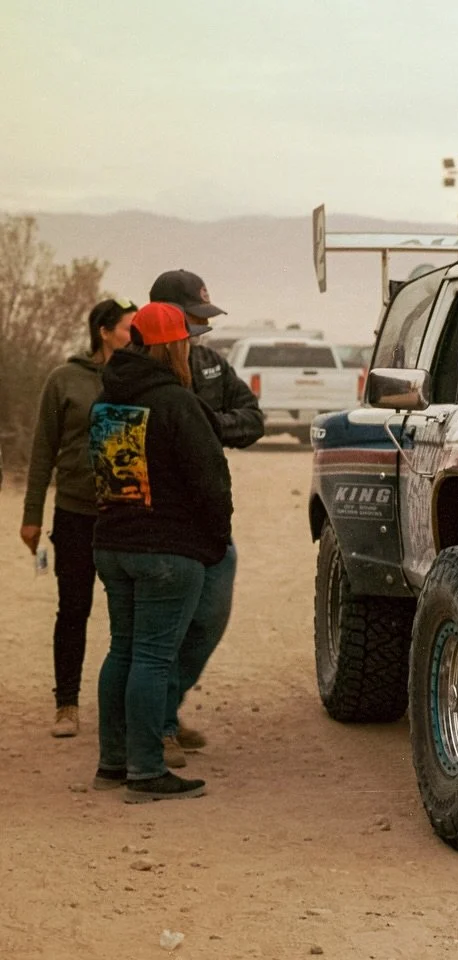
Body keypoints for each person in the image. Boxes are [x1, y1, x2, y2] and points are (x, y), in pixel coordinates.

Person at [90, 301, 232, 801]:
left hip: (113, 544)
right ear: (173, 346)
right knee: (152, 658)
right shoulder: (177, 403)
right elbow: (211, 483)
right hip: (167, 552)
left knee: (122, 651)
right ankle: (147, 771)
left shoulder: (105, 400)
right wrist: (215, 540)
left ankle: (112, 763)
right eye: (185, 343)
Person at [147, 269, 259, 765]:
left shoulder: (211, 364)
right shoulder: (140, 367)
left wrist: (207, 424)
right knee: (160, 630)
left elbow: (252, 419)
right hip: (158, 519)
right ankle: (156, 728)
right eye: (195, 315)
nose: (202, 325)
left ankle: (165, 709)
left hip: (208, 514)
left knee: (208, 617)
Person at [21, 299, 137, 737]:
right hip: (74, 512)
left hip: (125, 515)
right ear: (104, 332)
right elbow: (42, 451)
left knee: (131, 613)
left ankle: (133, 707)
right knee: (73, 608)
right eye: (128, 328)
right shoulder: (64, 380)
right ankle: (66, 705)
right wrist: (32, 515)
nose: (135, 336)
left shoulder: (139, 379)